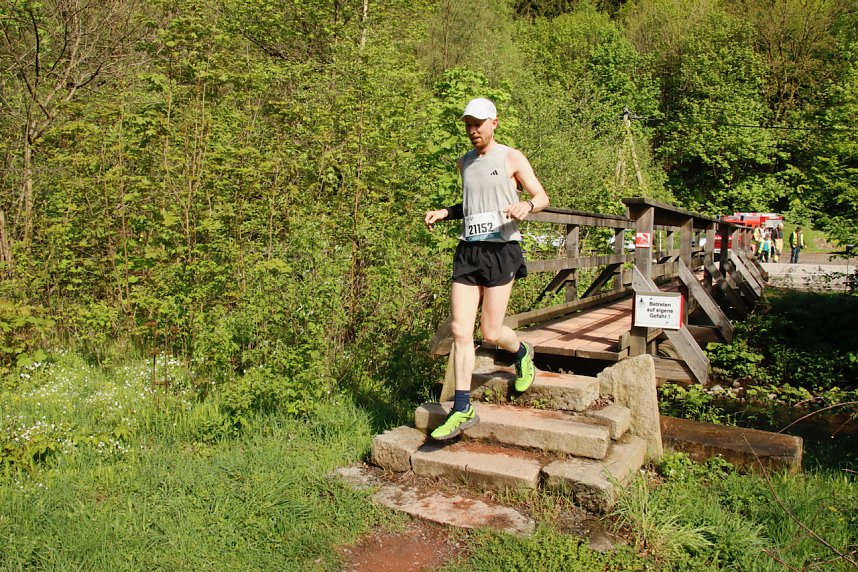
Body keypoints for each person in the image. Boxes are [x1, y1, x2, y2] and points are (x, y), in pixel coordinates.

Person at [424, 98, 549, 440]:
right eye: (468, 124)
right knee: (461, 331)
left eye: (478, 123)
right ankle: (463, 407)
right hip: (468, 250)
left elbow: (542, 196)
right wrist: (445, 213)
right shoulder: (463, 162)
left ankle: (522, 353)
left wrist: (526, 204)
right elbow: (470, 206)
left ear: (494, 122)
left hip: (501, 251)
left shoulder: (511, 157)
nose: (473, 130)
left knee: (491, 333)